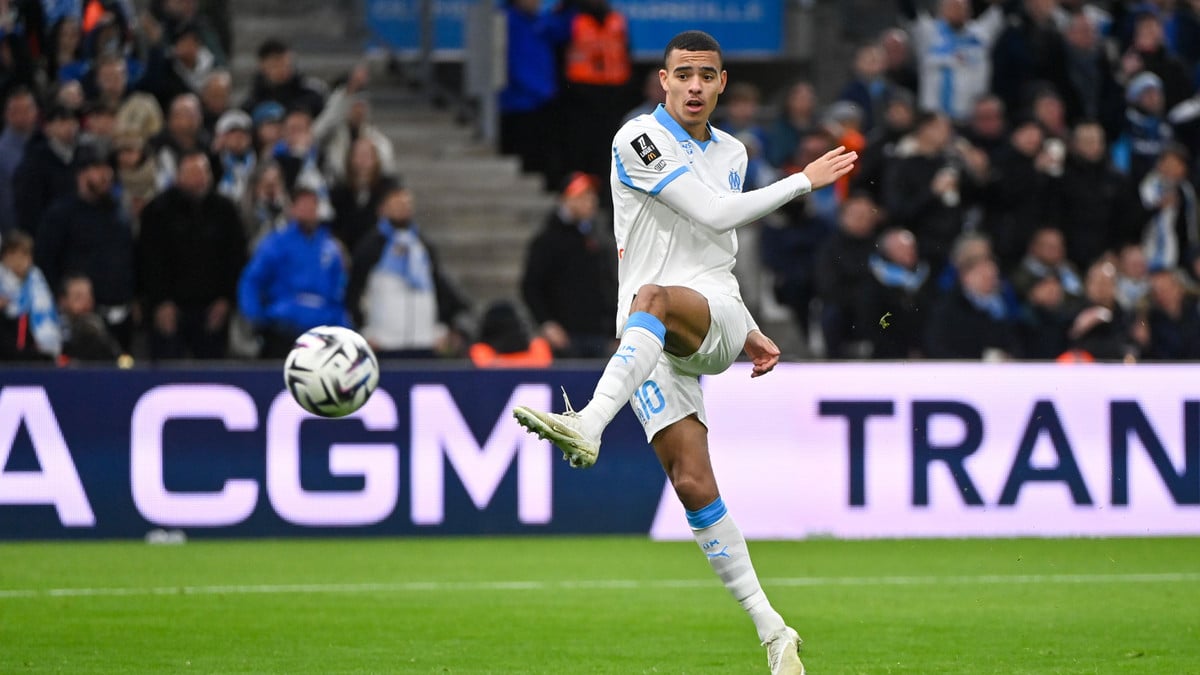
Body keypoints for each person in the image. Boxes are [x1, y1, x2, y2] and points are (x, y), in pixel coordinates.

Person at [511, 31, 855, 675]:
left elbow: (715, 247)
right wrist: (800, 182)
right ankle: (775, 633)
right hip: (647, 337)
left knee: (656, 297)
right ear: (663, 81)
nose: (695, 86)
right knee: (693, 484)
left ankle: (588, 422)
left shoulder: (733, 151)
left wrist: (743, 319)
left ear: (722, 83)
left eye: (707, 75)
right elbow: (714, 214)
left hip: (696, 312)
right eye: (684, 74)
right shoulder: (637, 139)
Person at [237, 186, 349, 359]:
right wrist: (256, 316)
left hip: (323, 332)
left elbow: (339, 290)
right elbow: (251, 280)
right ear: (292, 209)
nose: (308, 210)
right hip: (284, 328)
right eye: (303, 205)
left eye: (312, 205)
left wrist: (344, 326)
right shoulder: (276, 243)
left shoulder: (331, 248)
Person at [520, 171, 618, 359]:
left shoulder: (599, 239)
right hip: (565, 338)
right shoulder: (547, 240)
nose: (591, 201)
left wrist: (616, 328)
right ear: (566, 199)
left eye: (591, 195)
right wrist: (546, 323)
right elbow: (531, 286)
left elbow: (609, 284)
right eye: (582, 195)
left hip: (600, 335)